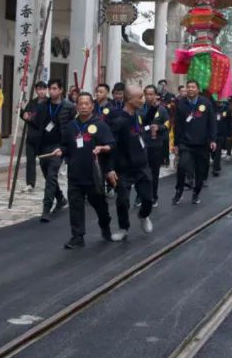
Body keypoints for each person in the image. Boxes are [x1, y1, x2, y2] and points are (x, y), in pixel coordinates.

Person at [55, 92, 114, 248]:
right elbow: (65, 145)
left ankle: (105, 225)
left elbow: (111, 145)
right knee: (75, 205)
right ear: (76, 106)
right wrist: (61, 150)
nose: (83, 106)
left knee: (99, 204)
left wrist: (103, 148)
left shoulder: (100, 125)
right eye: (80, 103)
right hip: (75, 173)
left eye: (87, 103)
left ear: (92, 106)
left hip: (93, 175)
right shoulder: (71, 126)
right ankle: (77, 236)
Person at [107, 85, 155, 239]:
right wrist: (110, 168)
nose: (143, 100)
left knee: (147, 198)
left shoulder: (137, 115)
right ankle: (123, 228)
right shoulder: (117, 119)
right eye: (140, 97)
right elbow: (111, 145)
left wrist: (154, 108)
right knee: (123, 201)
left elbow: (144, 124)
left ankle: (144, 215)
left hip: (141, 165)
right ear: (129, 99)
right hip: (123, 168)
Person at [32, 79, 73, 221]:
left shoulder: (69, 107)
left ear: (61, 90)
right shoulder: (43, 106)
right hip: (44, 145)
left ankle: (46, 208)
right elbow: (36, 124)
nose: (52, 91)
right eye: (50, 88)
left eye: (55, 88)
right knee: (46, 174)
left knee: (51, 176)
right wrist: (26, 117)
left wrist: (68, 147)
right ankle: (60, 198)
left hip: (59, 146)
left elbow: (73, 127)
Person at [173, 79, 216, 205]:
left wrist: (212, 139)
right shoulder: (181, 103)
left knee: (201, 172)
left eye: (193, 87)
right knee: (182, 166)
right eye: (188, 87)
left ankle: (196, 193)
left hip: (202, 144)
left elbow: (212, 122)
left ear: (198, 89)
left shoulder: (206, 103)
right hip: (185, 143)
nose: (190, 89)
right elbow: (178, 125)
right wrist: (176, 143)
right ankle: (179, 191)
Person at [142, 85, 170, 202]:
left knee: (154, 172)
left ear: (155, 95)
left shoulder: (161, 109)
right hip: (143, 144)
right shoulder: (140, 108)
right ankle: (141, 195)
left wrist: (159, 127)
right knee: (142, 171)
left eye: (151, 94)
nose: (149, 97)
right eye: (147, 94)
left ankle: (154, 195)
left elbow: (167, 124)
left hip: (156, 144)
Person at [20, 81, 48, 190]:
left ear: (46, 90)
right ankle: (30, 183)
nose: (41, 91)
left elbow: (40, 121)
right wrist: (22, 112)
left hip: (44, 138)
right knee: (30, 161)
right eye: (39, 89)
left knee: (44, 162)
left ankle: (49, 182)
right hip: (31, 137)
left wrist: (29, 119)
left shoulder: (49, 103)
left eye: (43, 89)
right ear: (36, 90)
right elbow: (26, 115)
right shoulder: (32, 103)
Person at [212, 96, 232, 176]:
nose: (219, 102)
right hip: (212, 134)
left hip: (221, 134)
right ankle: (216, 164)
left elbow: (229, 123)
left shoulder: (227, 109)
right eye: (217, 100)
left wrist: (229, 134)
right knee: (213, 152)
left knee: (218, 151)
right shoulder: (212, 108)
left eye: (220, 100)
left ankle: (215, 168)